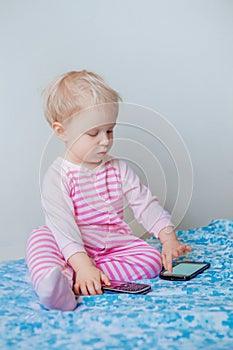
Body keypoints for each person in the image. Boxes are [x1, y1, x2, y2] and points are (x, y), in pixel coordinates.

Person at [26, 70, 192, 311]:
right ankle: (55, 284)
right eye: (93, 133)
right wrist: (82, 263)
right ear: (61, 131)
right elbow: (63, 227)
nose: (104, 141)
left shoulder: (118, 169)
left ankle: (82, 276)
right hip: (72, 244)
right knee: (40, 237)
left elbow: (144, 203)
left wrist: (168, 237)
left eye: (109, 130)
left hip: (112, 245)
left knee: (151, 260)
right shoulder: (58, 176)